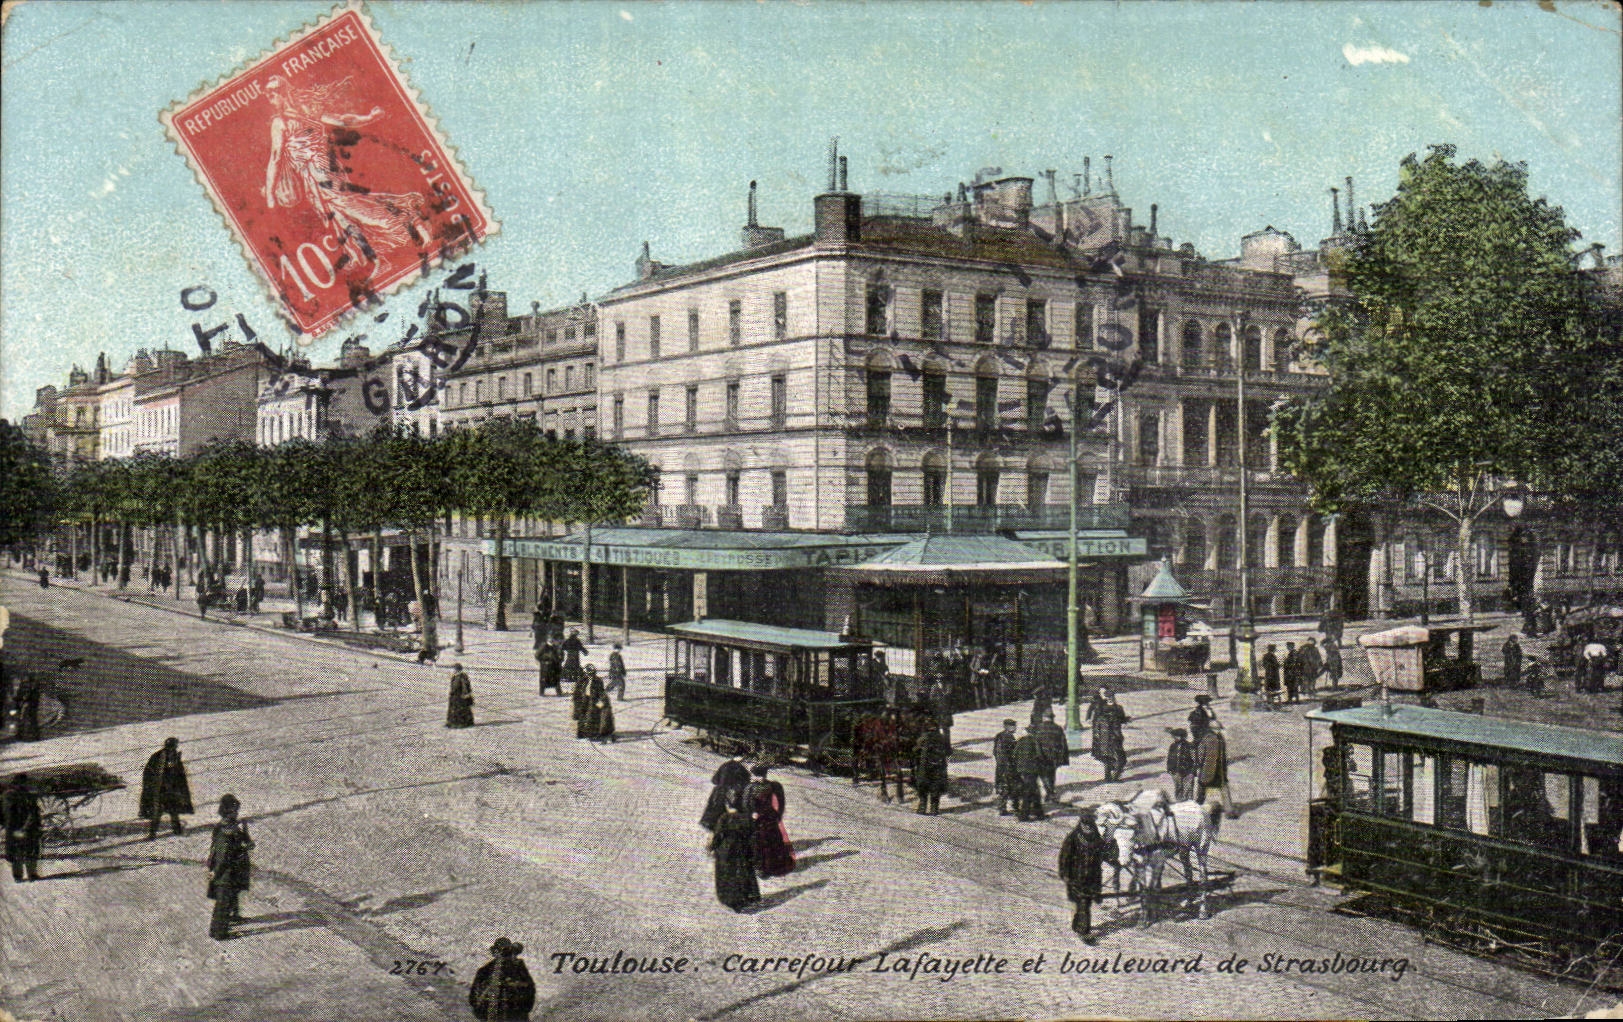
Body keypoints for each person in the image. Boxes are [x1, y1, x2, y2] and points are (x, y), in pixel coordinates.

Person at [207, 794, 254, 939]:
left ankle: (231, 918)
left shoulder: (230, 827)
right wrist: (216, 872)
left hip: (232, 871)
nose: (237, 813)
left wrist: (245, 831)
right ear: (228, 812)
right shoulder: (225, 832)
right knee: (223, 902)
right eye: (235, 811)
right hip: (225, 872)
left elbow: (245, 843)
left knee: (230, 896)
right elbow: (222, 856)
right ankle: (219, 933)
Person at [1057, 807, 1107, 945]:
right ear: (1081, 823)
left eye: (1090, 824)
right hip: (1076, 876)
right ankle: (1084, 931)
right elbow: (1064, 857)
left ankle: (1077, 925)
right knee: (1084, 903)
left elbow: (1101, 854)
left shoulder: (1096, 836)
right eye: (1085, 824)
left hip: (1092, 876)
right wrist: (1065, 874)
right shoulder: (1073, 837)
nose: (1088, 826)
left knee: (1085, 903)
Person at [709, 790, 760, 912]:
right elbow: (753, 835)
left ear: (727, 804)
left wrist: (712, 847)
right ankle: (743, 898)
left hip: (726, 851)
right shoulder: (746, 818)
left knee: (727, 875)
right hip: (742, 850)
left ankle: (729, 899)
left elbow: (718, 835)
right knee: (742, 874)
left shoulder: (725, 818)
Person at [744, 763, 795, 878]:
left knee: (773, 840)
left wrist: (778, 814)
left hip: (769, 817)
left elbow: (781, 801)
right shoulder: (750, 787)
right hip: (756, 819)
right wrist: (752, 813)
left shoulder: (772, 786)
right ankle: (759, 868)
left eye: (763, 775)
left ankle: (775, 866)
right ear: (754, 776)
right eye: (759, 775)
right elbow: (745, 803)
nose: (761, 778)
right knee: (757, 842)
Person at [140, 737, 194, 840]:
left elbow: (180, 774)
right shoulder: (157, 756)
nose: (174, 748)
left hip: (171, 790)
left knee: (174, 811)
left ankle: (177, 830)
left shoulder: (175, 756)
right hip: (160, 790)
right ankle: (152, 834)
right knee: (157, 813)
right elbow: (148, 771)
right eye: (174, 746)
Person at [470, 937, 536, 1021]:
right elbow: (474, 999)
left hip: (515, 1016)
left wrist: (522, 1010)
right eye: (503, 951)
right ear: (495, 952)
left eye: (506, 951)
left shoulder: (518, 967)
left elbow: (529, 990)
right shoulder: (484, 971)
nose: (504, 954)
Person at [1194, 717, 1238, 819]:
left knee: (1224, 789)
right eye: (1217, 729)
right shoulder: (1206, 739)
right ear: (1211, 729)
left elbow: (1223, 754)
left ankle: (1229, 811)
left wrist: (1224, 766)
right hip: (1207, 770)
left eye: (1219, 729)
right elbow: (1200, 754)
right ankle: (1195, 809)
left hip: (1219, 770)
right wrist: (1199, 766)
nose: (1219, 731)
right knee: (1201, 791)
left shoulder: (1221, 738)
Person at [3, 773, 42, 883]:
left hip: (12, 827)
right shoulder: (27, 795)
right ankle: (31, 875)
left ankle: (18, 876)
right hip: (26, 827)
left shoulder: (6, 795)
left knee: (17, 851)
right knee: (30, 849)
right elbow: (33, 812)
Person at [1087, 688, 1128, 783]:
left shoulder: (1109, 708)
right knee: (1120, 759)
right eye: (1109, 697)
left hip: (1106, 737)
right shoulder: (1118, 708)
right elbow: (1121, 720)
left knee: (1108, 758)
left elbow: (1097, 722)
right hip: (1113, 737)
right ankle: (1114, 778)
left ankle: (1109, 778)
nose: (1110, 698)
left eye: (1111, 697)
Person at [701, 758, 751, 833]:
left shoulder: (724, 765)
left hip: (718, 792)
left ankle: (709, 824)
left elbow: (714, 780)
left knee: (715, 809)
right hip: (732, 793)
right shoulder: (741, 769)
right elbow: (746, 783)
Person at [913, 722, 951, 816]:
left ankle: (922, 807)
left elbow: (915, 750)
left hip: (925, 766)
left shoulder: (923, 738)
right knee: (936, 786)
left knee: (923, 786)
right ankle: (934, 808)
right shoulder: (942, 738)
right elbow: (949, 751)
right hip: (938, 766)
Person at [1033, 711, 1070, 803]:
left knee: (1043, 775)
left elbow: (1036, 744)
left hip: (1043, 756)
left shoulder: (1038, 728)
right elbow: (1063, 743)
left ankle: (1050, 793)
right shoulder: (1058, 728)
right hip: (1055, 756)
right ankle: (1050, 792)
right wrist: (1063, 756)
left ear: (1044, 717)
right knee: (1051, 774)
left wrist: (1038, 755)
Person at [1013, 726, 1046, 821]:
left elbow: (1014, 754)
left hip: (1022, 770)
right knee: (1029, 791)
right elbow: (1040, 756)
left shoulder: (1021, 740)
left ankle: (1039, 813)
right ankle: (1024, 815)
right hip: (1032, 769)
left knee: (1034, 790)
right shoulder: (1035, 741)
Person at [577, 667, 615, 742]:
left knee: (592, 716)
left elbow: (600, 692)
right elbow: (581, 689)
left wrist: (601, 702)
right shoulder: (584, 680)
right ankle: (582, 733)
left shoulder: (598, 680)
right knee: (582, 715)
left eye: (591, 673)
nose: (589, 675)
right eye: (588, 673)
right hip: (585, 699)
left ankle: (593, 734)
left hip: (594, 700)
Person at [992, 719, 1019, 816]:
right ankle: (1015, 808)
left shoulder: (999, 736)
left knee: (1003, 786)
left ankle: (1002, 808)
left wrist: (999, 762)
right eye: (1013, 726)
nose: (1015, 728)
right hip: (1008, 767)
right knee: (1012, 786)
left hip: (1000, 766)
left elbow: (995, 752)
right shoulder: (1009, 738)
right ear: (1007, 727)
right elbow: (1013, 754)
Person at [1166, 727, 1197, 803]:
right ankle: (1179, 804)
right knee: (1178, 788)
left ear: (1182, 736)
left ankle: (1189, 805)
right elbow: (1170, 758)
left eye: (1176, 736)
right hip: (1176, 771)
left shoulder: (1190, 746)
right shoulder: (1173, 746)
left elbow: (1195, 760)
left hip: (1188, 772)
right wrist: (1170, 769)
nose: (1174, 738)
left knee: (1188, 790)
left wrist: (1192, 772)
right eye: (1174, 736)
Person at [14, 673, 42, 742]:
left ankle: (28, 736)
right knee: (29, 720)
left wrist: (24, 698)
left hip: (30, 704)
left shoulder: (33, 686)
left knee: (27, 719)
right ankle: (25, 735)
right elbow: (20, 695)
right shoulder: (25, 686)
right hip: (27, 704)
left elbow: (31, 696)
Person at [446, 664, 474, 728]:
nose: (453, 670)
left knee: (460, 710)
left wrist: (465, 694)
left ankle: (461, 723)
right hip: (454, 696)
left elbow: (465, 686)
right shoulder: (454, 676)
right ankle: (453, 723)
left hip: (460, 697)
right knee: (454, 710)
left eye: (455, 669)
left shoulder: (462, 677)